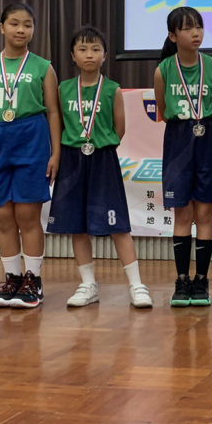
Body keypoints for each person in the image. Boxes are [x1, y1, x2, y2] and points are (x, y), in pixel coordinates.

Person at [48, 26, 152, 308]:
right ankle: (88, 284)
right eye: (82, 49)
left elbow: (120, 128)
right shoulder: (63, 89)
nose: (89, 55)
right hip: (72, 160)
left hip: (103, 159)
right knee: (77, 226)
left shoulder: (112, 89)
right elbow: (58, 124)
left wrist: (100, 144)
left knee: (118, 225)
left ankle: (136, 284)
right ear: (73, 55)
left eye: (95, 49)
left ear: (105, 55)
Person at [0, 3, 60, 308]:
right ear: (2, 27)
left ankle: (33, 280)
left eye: (28, 24)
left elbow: (53, 112)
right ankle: (12, 279)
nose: (21, 30)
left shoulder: (43, 67)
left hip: (31, 139)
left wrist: (56, 152)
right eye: (15, 23)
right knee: (3, 216)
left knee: (28, 215)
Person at [154, 6, 212, 307]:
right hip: (179, 139)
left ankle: (202, 280)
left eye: (199, 26)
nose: (195, 33)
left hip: (208, 138)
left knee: (205, 213)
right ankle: (182, 279)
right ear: (173, 35)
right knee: (182, 213)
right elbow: (162, 108)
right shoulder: (163, 70)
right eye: (187, 28)